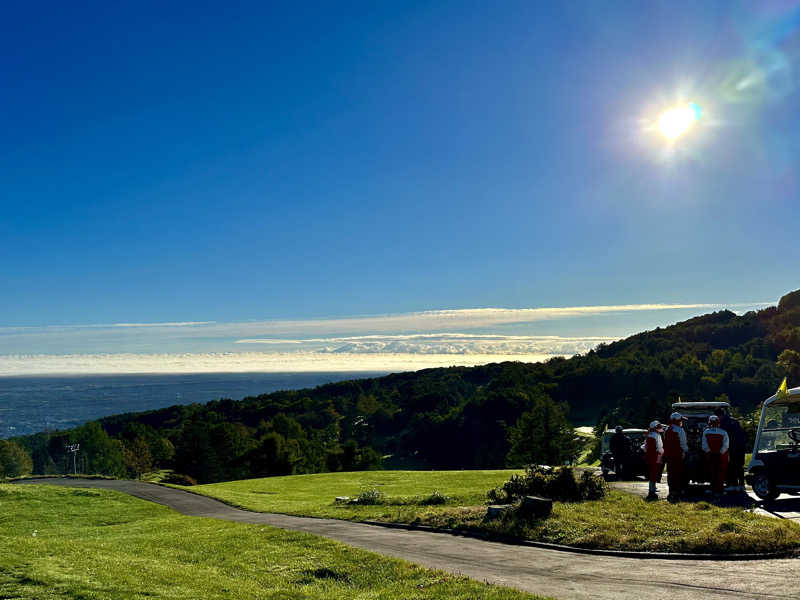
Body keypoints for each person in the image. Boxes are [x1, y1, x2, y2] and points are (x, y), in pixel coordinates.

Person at [715, 408, 746, 492]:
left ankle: (733, 485)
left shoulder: (722, 423)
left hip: (731, 447)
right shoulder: (735, 421)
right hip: (740, 447)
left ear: (719, 415)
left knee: (731, 466)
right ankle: (742, 485)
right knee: (739, 466)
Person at [663, 412, 688, 501]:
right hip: (678, 455)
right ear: (678, 421)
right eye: (681, 421)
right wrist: (686, 451)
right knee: (678, 474)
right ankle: (677, 492)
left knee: (671, 474)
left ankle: (671, 491)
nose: (682, 422)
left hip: (669, 455)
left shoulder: (667, 429)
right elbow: (683, 444)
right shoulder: (680, 430)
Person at [702, 415, 729, 495]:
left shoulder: (706, 432)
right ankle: (720, 489)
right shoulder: (723, 432)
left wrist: (709, 451)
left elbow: (704, 445)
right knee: (720, 473)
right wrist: (720, 452)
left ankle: (712, 488)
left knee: (711, 472)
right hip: (721, 455)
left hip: (710, 455)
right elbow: (726, 445)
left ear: (709, 423)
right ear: (718, 423)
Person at [644, 420, 664, 500]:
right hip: (655, 456)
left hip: (652, 456)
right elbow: (659, 447)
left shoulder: (650, 434)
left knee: (653, 472)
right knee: (654, 472)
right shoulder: (655, 435)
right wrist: (662, 453)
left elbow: (645, 447)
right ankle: (651, 490)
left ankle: (653, 488)